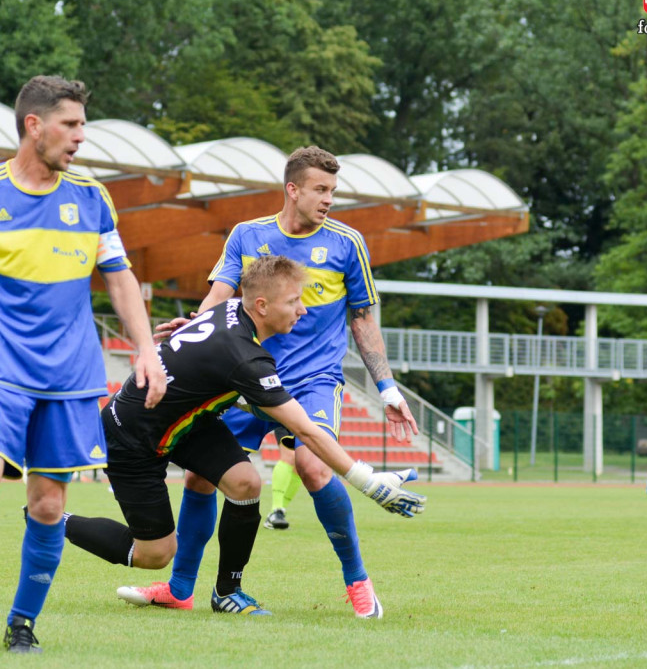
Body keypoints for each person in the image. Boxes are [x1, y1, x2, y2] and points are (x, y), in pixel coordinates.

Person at [0, 75, 165, 654]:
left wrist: (145, 348)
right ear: (34, 125)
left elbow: (120, 280)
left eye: (81, 126)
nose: (80, 137)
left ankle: (22, 621)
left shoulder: (92, 197)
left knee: (49, 505)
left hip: (71, 377)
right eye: (70, 125)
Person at [119, 146, 420, 619]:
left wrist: (387, 388)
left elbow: (362, 318)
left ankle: (358, 582)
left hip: (310, 379)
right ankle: (180, 590)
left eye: (333, 191)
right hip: (241, 380)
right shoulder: (247, 235)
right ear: (292, 189)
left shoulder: (347, 243)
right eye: (321, 190)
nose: (329, 199)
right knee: (200, 475)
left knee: (314, 466)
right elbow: (220, 297)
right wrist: (195, 327)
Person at [63, 256, 424, 615]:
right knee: (155, 554)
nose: (302, 310)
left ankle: (227, 592)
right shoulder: (245, 356)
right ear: (262, 306)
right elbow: (304, 430)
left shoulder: (235, 311)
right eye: (293, 302)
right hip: (131, 439)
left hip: (185, 423)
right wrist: (368, 482)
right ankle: (52, 520)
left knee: (246, 483)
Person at [263, 427, 303, 530]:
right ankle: (277, 509)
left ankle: (276, 514)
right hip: (285, 419)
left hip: (306, 421)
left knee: (300, 465)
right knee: (289, 456)